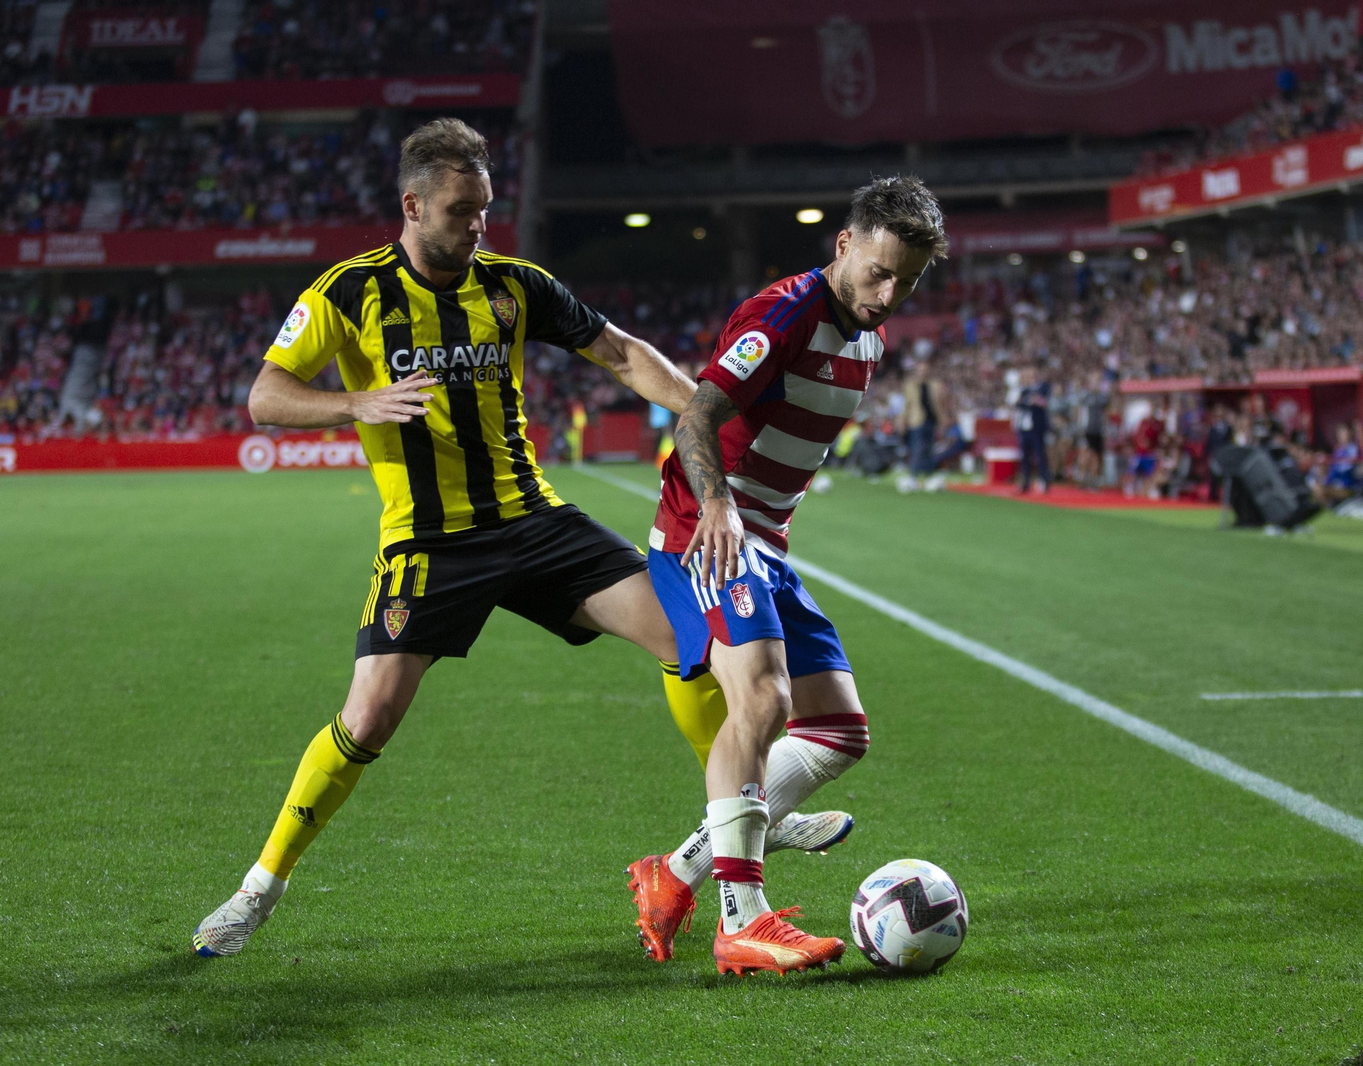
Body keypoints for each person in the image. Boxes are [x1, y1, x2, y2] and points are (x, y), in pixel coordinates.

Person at [190, 118, 775, 957]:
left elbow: (616, 351)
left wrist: (705, 410)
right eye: (462, 212)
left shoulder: (514, 283)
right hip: (429, 542)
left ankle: (740, 818)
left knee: (693, 638)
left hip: (534, 522)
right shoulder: (348, 293)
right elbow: (265, 395)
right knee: (371, 717)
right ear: (413, 204)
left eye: (487, 209)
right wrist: (356, 403)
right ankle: (260, 889)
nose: (478, 227)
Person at [625, 176, 949, 975]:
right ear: (844, 245)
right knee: (763, 701)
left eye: (905, 282)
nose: (886, 294)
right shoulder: (784, 315)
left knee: (840, 731)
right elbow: (698, 414)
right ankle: (745, 919)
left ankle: (675, 873)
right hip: (708, 532)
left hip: (764, 541)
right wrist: (718, 509)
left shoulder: (869, 336)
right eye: (876, 272)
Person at [901, 356, 946, 491]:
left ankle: (928, 476)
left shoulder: (935, 385)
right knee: (917, 449)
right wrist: (902, 420)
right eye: (921, 369)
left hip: (931, 420)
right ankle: (913, 476)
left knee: (930, 449)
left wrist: (943, 420)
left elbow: (939, 404)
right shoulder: (910, 385)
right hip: (916, 421)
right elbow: (907, 405)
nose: (923, 371)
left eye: (925, 369)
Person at [1011, 376, 1049, 493]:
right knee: (1025, 457)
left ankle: (1044, 480)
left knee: (1040, 455)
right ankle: (1026, 482)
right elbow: (1018, 404)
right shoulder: (1024, 391)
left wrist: (1031, 402)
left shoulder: (1043, 387)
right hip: (1024, 429)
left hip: (1036, 429)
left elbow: (1040, 403)